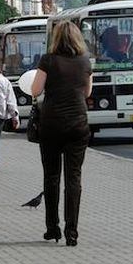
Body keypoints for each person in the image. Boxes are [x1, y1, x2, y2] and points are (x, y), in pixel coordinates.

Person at [31, 21, 92, 247]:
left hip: (52, 125)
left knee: (52, 177)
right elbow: (88, 92)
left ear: (56, 38)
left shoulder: (48, 61)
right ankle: (72, 232)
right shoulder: (85, 62)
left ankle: (52, 227)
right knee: (73, 178)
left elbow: (35, 90)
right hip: (78, 124)